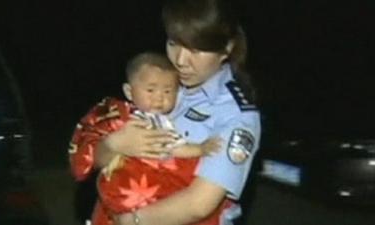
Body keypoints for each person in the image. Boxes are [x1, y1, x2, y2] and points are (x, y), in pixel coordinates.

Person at [70, 0, 261, 224]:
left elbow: (198, 204)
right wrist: (113, 145)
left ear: (226, 48)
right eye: (173, 43)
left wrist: (129, 221)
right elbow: (98, 162)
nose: (180, 61)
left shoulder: (237, 115)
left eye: (196, 50)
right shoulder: (161, 81)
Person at [69, 52, 221, 225]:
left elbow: (176, 147)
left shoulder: (168, 121)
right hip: (115, 200)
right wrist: (114, 143)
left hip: (155, 204)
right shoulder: (113, 115)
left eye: (168, 91)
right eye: (150, 90)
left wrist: (201, 149)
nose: (159, 98)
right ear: (129, 91)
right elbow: (84, 157)